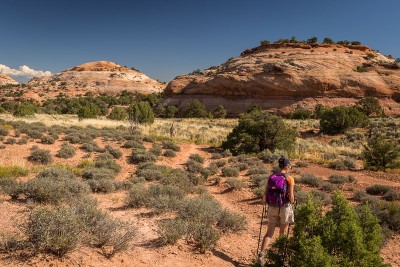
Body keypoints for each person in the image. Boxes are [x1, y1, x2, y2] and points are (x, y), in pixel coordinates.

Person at [258, 156, 295, 264]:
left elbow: (265, 194)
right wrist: (293, 202)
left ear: (279, 166)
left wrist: (266, 201)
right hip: (284, 207)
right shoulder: (289, 178)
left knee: (269, 233)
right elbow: (291, 196)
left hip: (272, 207)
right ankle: (280, 256)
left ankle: (261, 256)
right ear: (287, 166)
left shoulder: (272, 176)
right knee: (282, 233)